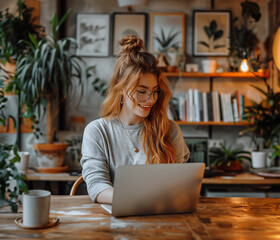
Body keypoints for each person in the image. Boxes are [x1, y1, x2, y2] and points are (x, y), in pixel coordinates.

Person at [80, 35, 190, 204]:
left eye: (154, 91)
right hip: (115, 218)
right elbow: (97, 186)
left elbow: (179, 185)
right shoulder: (97, 131)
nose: (151, 99)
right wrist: (138, 200)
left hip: (161, 217)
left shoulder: (169, 129)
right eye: (141, 91)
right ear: (122, 88)